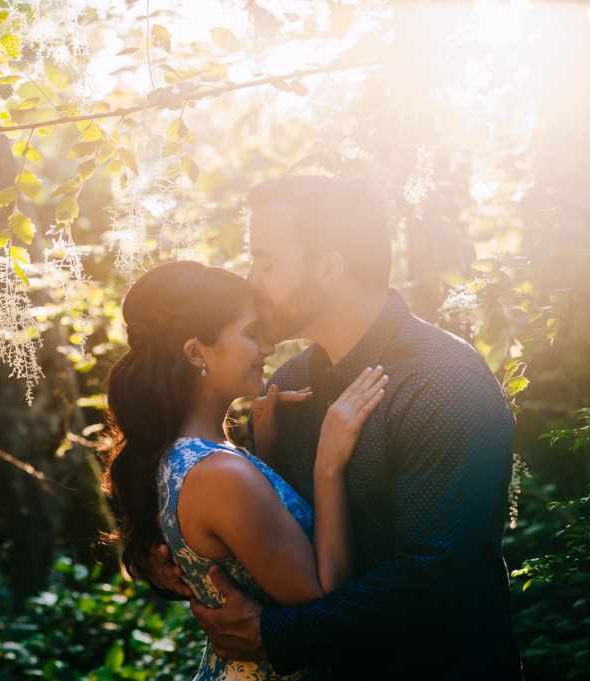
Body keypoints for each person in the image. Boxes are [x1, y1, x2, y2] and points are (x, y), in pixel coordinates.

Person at [145, 176, 523, 680]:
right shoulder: (290, 381)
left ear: (328, 267)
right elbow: (272, 536)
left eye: (267, 261)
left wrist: (276, 636)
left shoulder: (444, 384)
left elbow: (433, 575)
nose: (252, 279)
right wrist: (177, 560)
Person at [100, 260, 388, 680]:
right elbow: (325, 600)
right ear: (198, 352)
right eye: (252, 334)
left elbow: (254, 550)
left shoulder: (189, 456)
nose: (268, 348)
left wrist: (265, 453)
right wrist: (329, 463)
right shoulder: (219, 474)